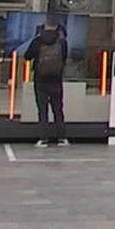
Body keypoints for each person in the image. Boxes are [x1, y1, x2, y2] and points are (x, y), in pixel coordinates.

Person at [23, 16, 70, 148]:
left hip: (40, 79)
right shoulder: (62, 42)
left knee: (42, 110)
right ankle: (62, 138)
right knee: (58, 109)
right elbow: (64, 58)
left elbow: (27, 56)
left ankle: (43, 138)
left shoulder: (38, 41)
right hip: (56, 80)